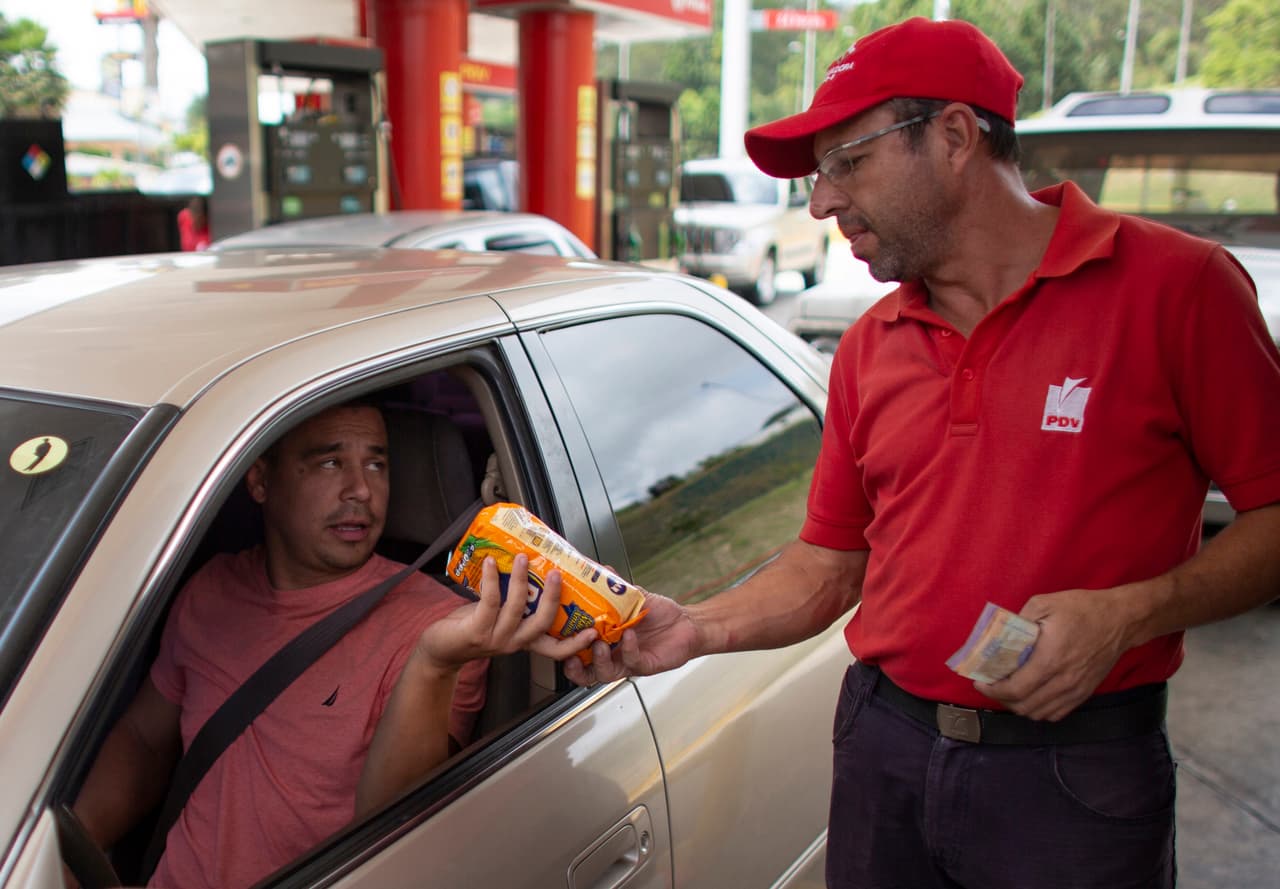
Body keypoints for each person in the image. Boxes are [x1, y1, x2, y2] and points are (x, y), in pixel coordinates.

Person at [564, 16, 1280, 889]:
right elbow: (829, 566)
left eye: (847, 164)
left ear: (952, 136)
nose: (822, 204)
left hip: (1077, 773)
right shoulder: (870, 345)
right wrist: (698, 627)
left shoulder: (1179, 289)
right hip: (884, 749)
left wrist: (1129, 614)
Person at [73, 402, 594, 889]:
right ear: (259, 480)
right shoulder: (211, 589)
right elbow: (144, 738)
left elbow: (397, 828)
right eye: (328, 464)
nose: (361, 491)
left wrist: (433, 662)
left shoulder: (441, 624)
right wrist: (69, 851)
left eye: (376, 465)